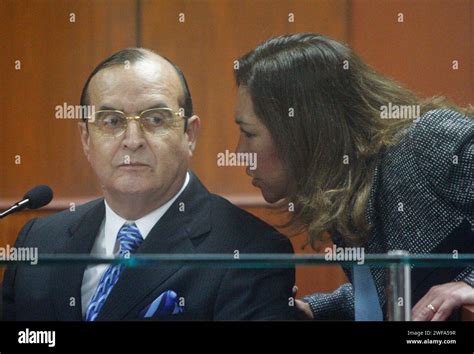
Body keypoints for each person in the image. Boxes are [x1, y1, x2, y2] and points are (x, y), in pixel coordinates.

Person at [2, 48, 295, 321]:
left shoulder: (251, 252)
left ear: (189, 135)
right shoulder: (39, 240)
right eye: (112, 122)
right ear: (86, 139)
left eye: (155, 119)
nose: (132, 140)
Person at [233, 33, 474, 321]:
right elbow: (393, 293)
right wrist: (315, 311)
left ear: (301, 130)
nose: (239, 153)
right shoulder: (349, 186)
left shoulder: (426, 140)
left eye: (249, 134)